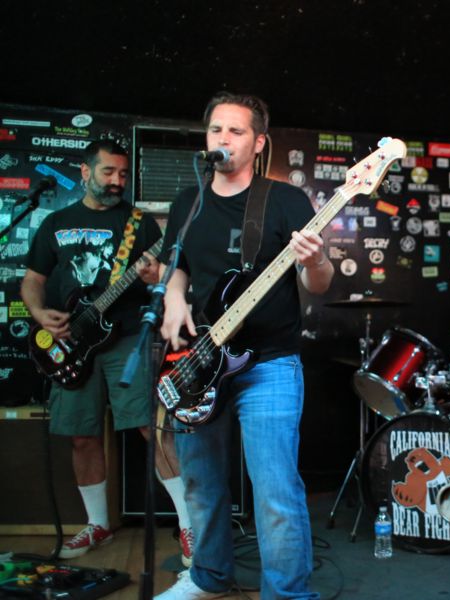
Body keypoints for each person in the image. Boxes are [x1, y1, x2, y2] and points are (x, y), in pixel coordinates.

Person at [155, 92, 333, 600]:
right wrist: (173, 299)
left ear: (258, 143)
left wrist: (316, 261)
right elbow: (175, 266)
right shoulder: (188, 201)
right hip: (200, 359)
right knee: (201, 482)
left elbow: (318, 283)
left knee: (275, 489)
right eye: (216, 129)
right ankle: (208, 578)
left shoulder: (286, 200)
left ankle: (288, 594)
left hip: (269, 363)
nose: (223, 139)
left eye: (235, 131)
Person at [21, 140, 195, 566]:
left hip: (127, 339)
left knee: (152, 429)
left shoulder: (139, 224)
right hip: (71, 342)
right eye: (108, 172)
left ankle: (190, 524)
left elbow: (167, 275)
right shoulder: (56, 222)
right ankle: (97, 523)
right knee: (82, 435)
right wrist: (39, 313)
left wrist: (156, 277)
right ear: (85, 172)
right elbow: (33, 280)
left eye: (122, 174)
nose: (117, 181)